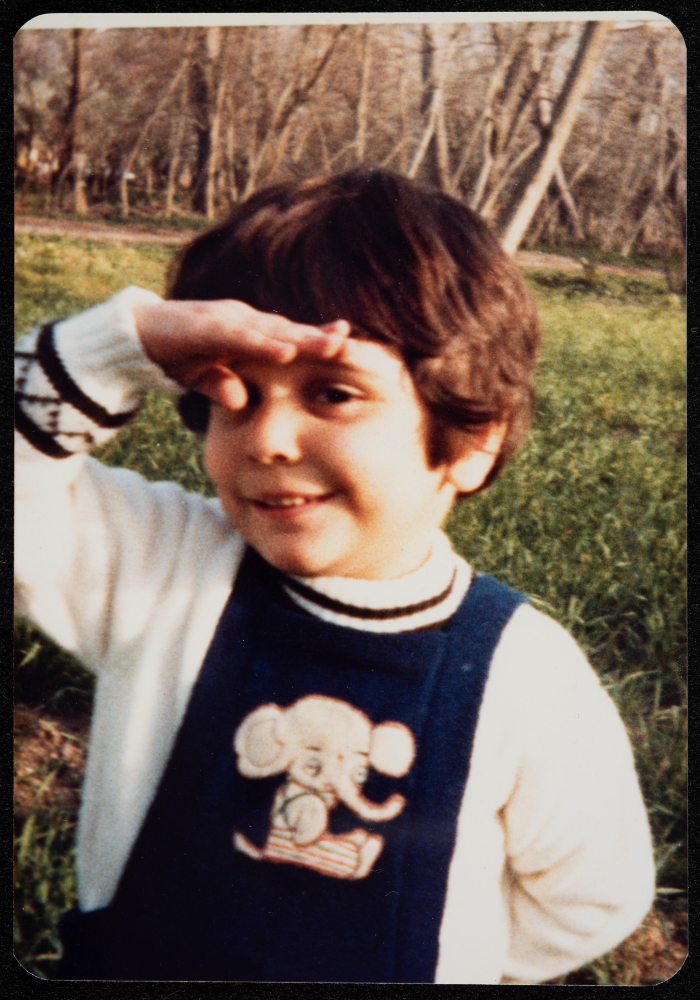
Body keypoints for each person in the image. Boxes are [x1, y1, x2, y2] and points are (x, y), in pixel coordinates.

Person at [14, 170, 655, 984]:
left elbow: (593, 895)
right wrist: (124, 342)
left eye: (333, 392)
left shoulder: (523, 671)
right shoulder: (162, 566)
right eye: (237, 396)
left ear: (469, 441)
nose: (269, 437)